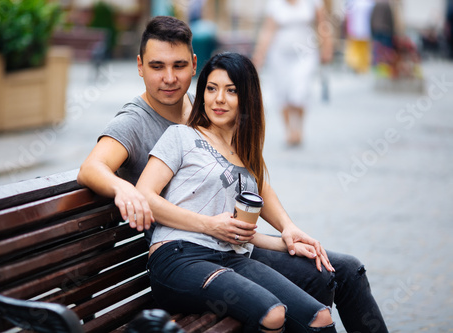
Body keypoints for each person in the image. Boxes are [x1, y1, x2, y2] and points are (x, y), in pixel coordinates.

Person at [78, 15, 388, 333]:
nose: (169, 78)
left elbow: (249, 177)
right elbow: (91, 168)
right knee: (297, 299)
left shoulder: (206, 107)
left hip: (232, 246)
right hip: (186, 251)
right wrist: (124, 189)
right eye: (157, 66)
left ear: (194, 64)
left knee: (342, 271)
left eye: (179, 66)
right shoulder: (135, 121)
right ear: (140, 66)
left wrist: (287, 228)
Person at [136, 52, 335, 333]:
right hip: (179, 256)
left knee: (320, 318)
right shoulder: (181, 136)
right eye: (212, 88)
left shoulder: (244, 154)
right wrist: (209, 225)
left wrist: (286, 239)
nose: (219, 99)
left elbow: (241, 230)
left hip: (231, 256)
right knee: (273, 313)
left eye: (231, 91)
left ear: (247, 98)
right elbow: (144, 195)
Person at [253, 0, 333, 146]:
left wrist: (327, 46)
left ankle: (299, 126)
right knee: (282, 90)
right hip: (279, 54)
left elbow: (323, 24)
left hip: (305, 53)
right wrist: (260, 54)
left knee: (300, 89)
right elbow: (268, 30)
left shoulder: (313, 3)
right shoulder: (274, 4)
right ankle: (289, 130)